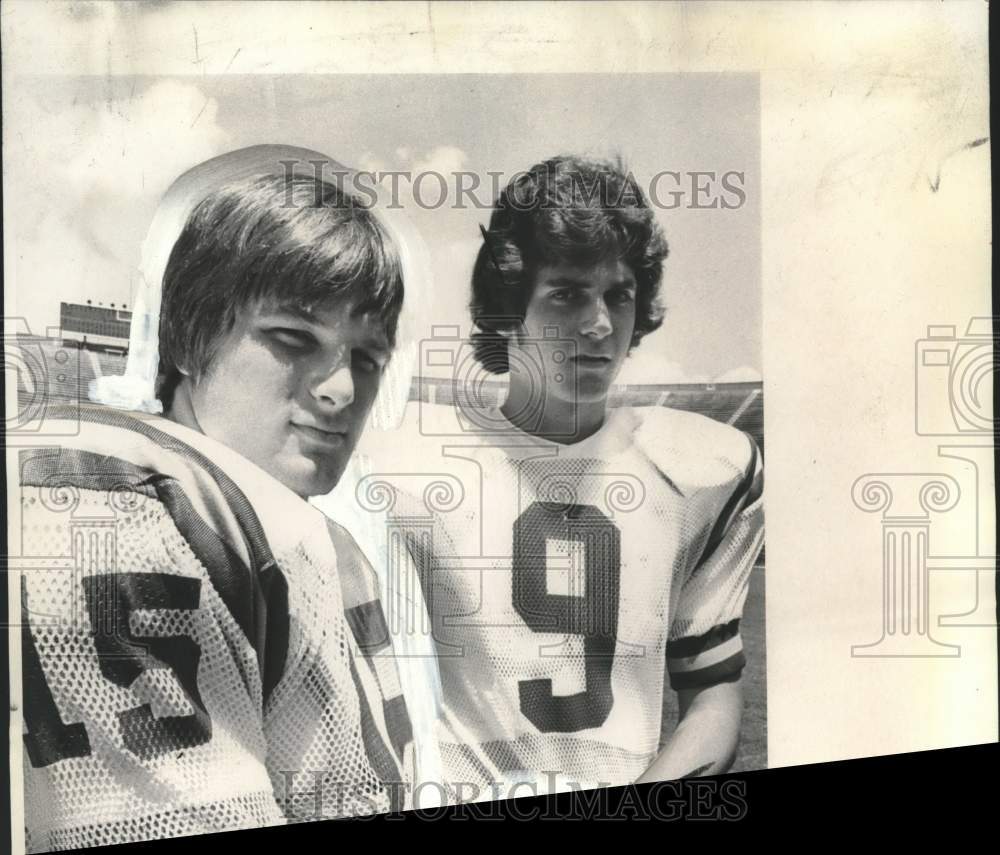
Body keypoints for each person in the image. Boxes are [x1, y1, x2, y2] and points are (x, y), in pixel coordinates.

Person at [19, 146, 421, 851]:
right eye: (294, 338)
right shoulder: (218, 526)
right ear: (185, 335)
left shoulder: (278, 523)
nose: (341, 392)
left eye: (366, 356)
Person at [352, 155, 763, 798]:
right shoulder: (399, 459)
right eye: (568, 293)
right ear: (510, 308)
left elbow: (712, 691)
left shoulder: (700, 471)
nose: (600, 323)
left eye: (618, 295)